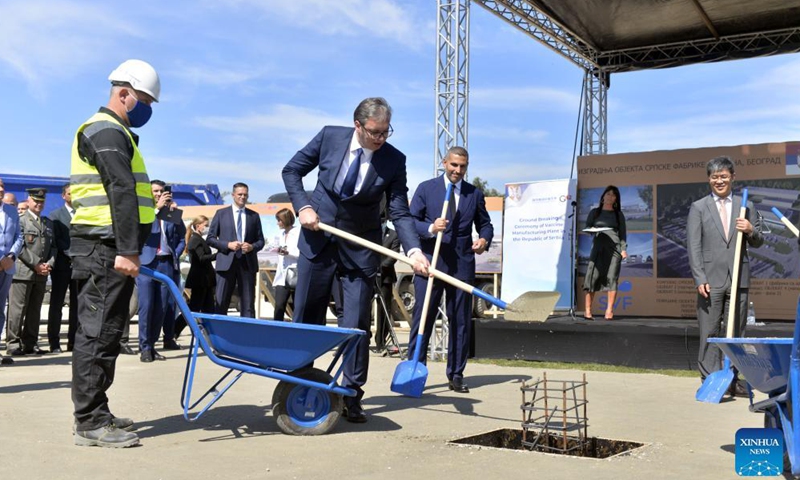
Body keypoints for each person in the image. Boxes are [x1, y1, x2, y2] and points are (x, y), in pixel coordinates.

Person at [282, 97, 430, 423]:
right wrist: (303, 206)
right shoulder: (329, 137)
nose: (380, 139)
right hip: (317, 239)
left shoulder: (393, 160)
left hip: (360, 248)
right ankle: (301, 385)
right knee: (307, 316)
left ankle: (351, 394)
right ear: (358, 125)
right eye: (374, 132)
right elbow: (291, 170)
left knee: (357, 324)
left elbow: (399, 210)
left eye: (386, 133)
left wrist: (414, 250)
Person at [70, 59, 160, 447]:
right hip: (105, 248)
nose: (147, 110)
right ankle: (89, 422)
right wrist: (127, 250)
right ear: (124, 94)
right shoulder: (105, 130)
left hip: (111, 247)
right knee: (98, 332)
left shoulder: (118, 131)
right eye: (144, 100)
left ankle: (98, 411)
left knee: (107, 332)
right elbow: (120, 190)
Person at [407, 146, 493, 394]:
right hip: (430, 264)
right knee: (423, 318)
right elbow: (411, 221)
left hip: (462, 266)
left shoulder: (473, 193)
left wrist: (483, 240)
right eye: (454, 165)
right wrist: (432, 227)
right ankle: (415, 371)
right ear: (444, 163)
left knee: (461, 322)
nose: (457, 170)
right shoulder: (426, 188)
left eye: (462, 166)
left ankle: (456, 374)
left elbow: (485, 224)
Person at [687, 156, 763, 398]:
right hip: (710, 280)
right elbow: (693, 246)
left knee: (736, 333)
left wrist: (750, 229)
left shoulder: (745, 205)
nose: (719, 180)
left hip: (739, 278)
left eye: (723, 176)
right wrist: (699, 278)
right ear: (709, 179)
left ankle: (732, 379)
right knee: (710, 331)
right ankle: (710, 380)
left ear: (732, 177)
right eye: (714, 176)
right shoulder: (698, 207)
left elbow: (759, 240)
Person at [136, 180, 186, 362]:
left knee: (162, 308)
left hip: (165, 263)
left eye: (161, 191)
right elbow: (141, 230)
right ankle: (144, 347)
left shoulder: (170, 212)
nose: (159, 194)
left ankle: (153, 344)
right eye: (155, 191)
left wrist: (175, 254)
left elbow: (182, 237)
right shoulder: (144, 210)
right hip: (147, 263)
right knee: (147, 306)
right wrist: (156, 209)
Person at [6, 188, 56, 356]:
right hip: (23, 272)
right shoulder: (21, 221)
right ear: (28, 201)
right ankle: (13, 344)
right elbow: (19, 247)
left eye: (42, 201)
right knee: (17, 310)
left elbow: (53, 247)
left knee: (35, 310)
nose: (39, 204)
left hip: (41, 274)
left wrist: (49, 264)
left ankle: (30, 343)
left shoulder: (48, 223)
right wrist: (36, 264)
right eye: (36, 201)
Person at [206, 182, 265, 317]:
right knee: (221, 302)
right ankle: (220, 334)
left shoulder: (254, 216)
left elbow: (260, 240)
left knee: (248, 304)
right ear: (233, 195)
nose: (243, 197)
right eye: (240, 194)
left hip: (247, 263)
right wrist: (227, 245)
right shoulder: (221, 214)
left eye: (245, 195)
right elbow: (210, 238)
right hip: (226, 263)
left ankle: (247, 334)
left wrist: (252, 247)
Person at [582, 185, 628, 320]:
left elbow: (623, 233)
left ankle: (609, 311)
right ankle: (587, 311)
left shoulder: (618, 214)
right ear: (603, 197)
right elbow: (587, 227)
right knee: (592, 277)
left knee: (612, 278)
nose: (610, 197)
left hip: (614, 249)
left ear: (616, 199)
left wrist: (623, 249)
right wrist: (592, 230)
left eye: (613, 195)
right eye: (608, 194)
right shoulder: (594, 213)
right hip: (598, 247)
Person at [47, 184, 79, 353]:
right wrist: (70, 252)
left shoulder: (82, 215)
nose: (73, 197)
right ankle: (54, 342)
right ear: (63, 196)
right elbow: (55, 240)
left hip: (79, 267)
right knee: (56, 305)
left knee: (77, 306)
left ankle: (73, 341)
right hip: (61, 265)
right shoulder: (55, 216)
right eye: (69, 193)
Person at [0, 178, 23, 367]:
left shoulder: (11, 211)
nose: (1, 190)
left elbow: (19, 236)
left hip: (7, 268)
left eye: (2, 187)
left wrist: (11, 257)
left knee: (0, 310)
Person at [182, 215, 216, 326]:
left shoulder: (199, 239)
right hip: (199, 280)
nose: (207, 228)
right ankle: (174, 330)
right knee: (194, 308)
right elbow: (201, 258)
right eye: (205, 225)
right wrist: (217, 256)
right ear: (198, 226)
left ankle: (209, 334)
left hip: (205, 280)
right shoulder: (195, 240)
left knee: (208, 308)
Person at [374, 212, 400, 353]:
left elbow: (393, 255)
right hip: (370, 276)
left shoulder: (394, 235)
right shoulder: (371, 233)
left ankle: (381, 340)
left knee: (384, 309)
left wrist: (381, 267)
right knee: (364, 309)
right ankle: (365, 338)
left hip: (385, 277)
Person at [272, 208, 299, 321]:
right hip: (282, 276)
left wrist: (288, 252)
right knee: (279, 306)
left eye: (279, 220)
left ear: (286, 220)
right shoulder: (281, 234)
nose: (278, 223)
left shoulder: (298, 232)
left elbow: (302, 252)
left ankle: (298, 330)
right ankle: (276, 331)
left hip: (295, 274)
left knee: (297, 306)